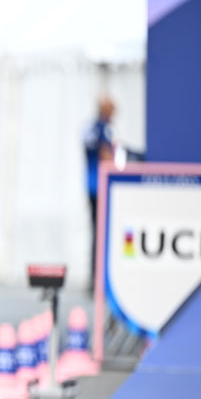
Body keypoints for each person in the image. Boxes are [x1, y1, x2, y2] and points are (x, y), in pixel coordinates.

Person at [83, 96, 115, 286]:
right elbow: (106, 155)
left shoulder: (92, 129)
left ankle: (96, 277)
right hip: (99, 187)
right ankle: (97, 278)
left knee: (98, 233)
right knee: (100, 233)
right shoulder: (101, 130)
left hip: (95, 186)